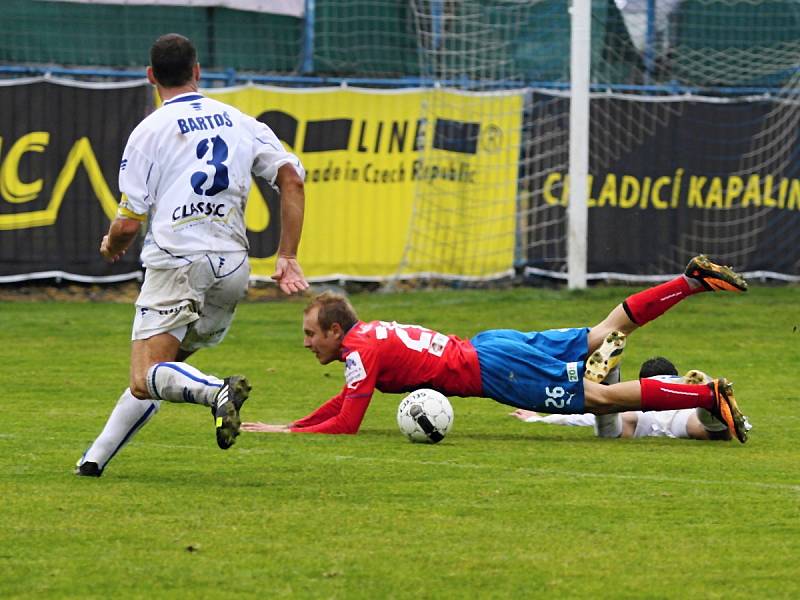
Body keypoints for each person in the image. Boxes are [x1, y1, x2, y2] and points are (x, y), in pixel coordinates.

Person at [75, 33, 309, 477]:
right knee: (160, 375)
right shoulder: (240, 121)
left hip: (178, 259)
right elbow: (291, 179)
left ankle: (217, 392)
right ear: (198, 72)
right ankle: (92, 461)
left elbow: (128, 222)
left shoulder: (150, 130)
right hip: (232, 266)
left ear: (151, 77)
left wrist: (112, 245)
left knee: (146, 377)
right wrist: (288, 255)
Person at [241, 255, 750, 443]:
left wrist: (286, 431)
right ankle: (689, 281)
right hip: (492, 345)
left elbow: (348, 420)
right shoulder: (368, 333)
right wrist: (297, 423)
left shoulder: (358, 351)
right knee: (603, 332)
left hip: (497, 371)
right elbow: (346, 402)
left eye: (311, 334)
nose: (307, 343)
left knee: (601, 398)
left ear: (334, 330)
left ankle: (706, 398)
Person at [509, 357, 748, 441]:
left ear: (640, 381)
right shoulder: (678, 387)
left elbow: (580, 418)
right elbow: (743, 424)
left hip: (638, 416)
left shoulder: (634, 396)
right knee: (712, 431)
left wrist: (539, 419)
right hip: (682, 409)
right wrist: (743, 424)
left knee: (608, 413)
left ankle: (611, 374)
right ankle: (708, 394)